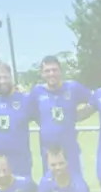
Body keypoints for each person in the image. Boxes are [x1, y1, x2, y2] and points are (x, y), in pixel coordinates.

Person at [31, 56, 92, 184]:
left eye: (54, 70)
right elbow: (32, 113)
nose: (51, 73)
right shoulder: (37, 92)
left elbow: (95, 100)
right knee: (52, 187)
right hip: (48, 151)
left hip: (70, 149)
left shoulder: (73, 88)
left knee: (76, 185)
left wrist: (79, 115)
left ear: (60, 71)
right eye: (47, 71)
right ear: (42, 74)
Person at [0, 60, 34, 181]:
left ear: (11, 78)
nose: (2, 81)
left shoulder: (25, 99)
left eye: (5, 77)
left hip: (21, 161)